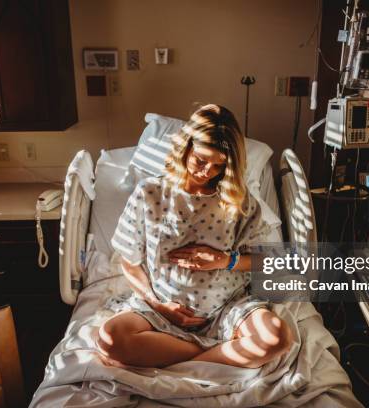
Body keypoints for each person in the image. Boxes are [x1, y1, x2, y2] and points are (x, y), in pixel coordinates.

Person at [98, 104, 293, 369]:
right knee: (110, 339)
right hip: (162, 311)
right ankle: (222, 356)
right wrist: (158, 305)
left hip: (227, 310)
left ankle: (182, 361)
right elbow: (129, 261)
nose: (207, 172)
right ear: (185, 147)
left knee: (278, 339)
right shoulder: (151, 194)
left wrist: (225, 261)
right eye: (201, 160)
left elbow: (266, 261)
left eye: (218, 166)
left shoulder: (238, 201)